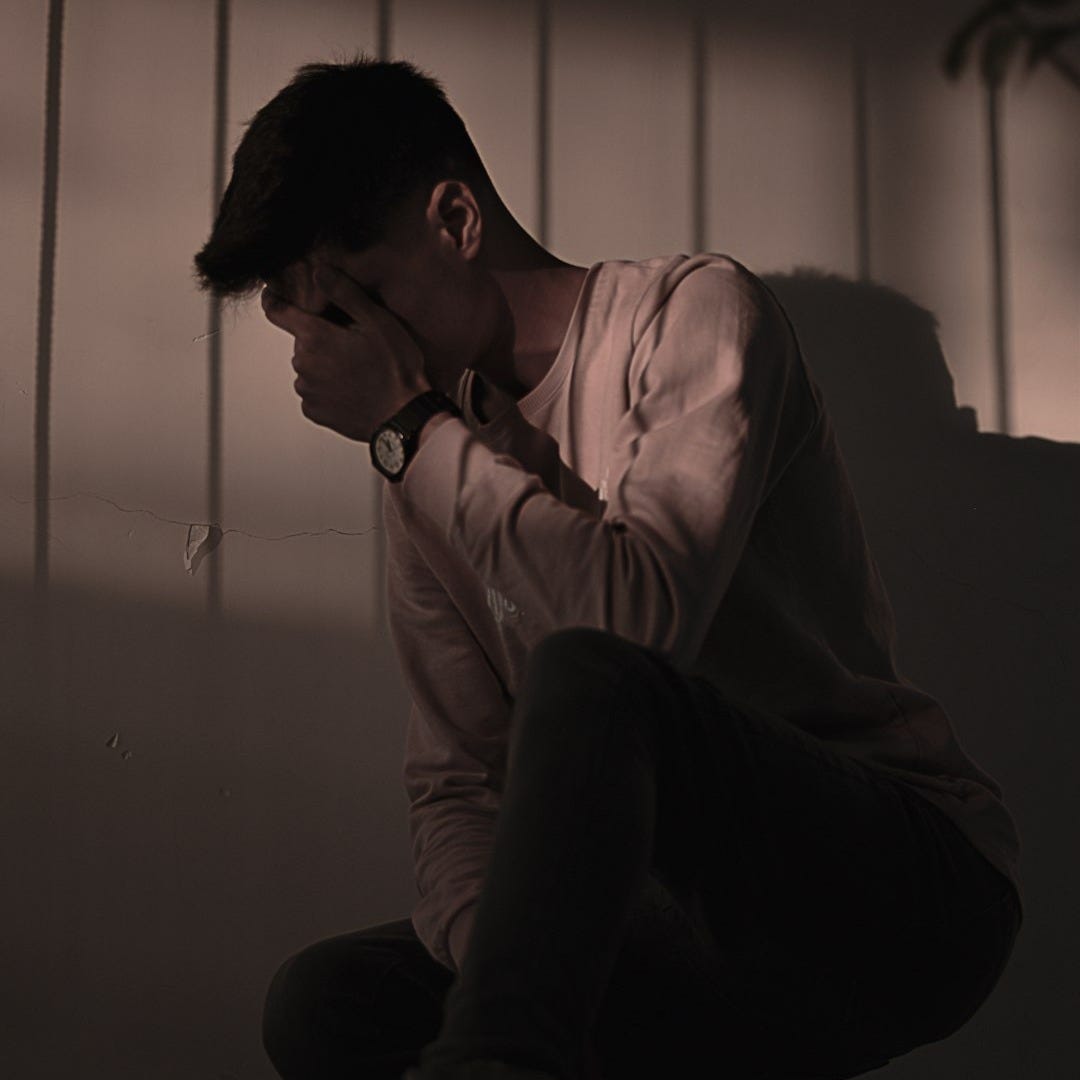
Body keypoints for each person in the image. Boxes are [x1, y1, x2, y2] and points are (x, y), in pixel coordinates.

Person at [193, 56, 1023, 1080]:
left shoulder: (694, 316)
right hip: (665, 917)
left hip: (894, 888)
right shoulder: (428, 454)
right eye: (323, 327)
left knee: (590, 679)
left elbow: (633, 634)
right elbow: (458, 783)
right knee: (326, 1004)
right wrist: (494, 953)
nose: (351, 353)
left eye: (359, 305)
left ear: (455, 220)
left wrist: (409, 429)